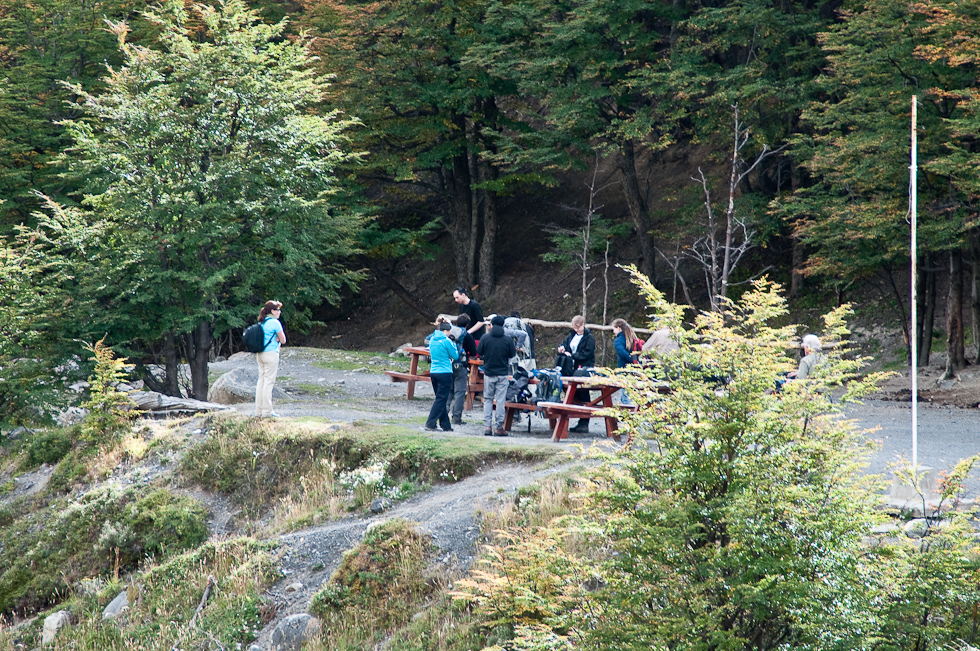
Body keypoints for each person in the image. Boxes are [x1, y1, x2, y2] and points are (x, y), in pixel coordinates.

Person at [477, 314, 516, 436]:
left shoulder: (485, 338)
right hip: (503, 373)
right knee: (500, 400)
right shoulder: (508, 339)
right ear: (503, 325)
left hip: (489, 372)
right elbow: (512, 355)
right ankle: (499, 427)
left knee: (488, 399)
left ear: (491, 325)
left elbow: (479, 352)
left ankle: (487, 427)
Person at [557, 315, 596, 433]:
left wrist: (572, 355)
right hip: (570, 367)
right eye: (575, 328)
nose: (576, 330)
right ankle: (576, 418)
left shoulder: (589, 338)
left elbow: (587, 354)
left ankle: (584, 421)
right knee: (570, 390)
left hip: (583, 367)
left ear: (583, 325)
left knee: (583, 391)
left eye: (578, 328)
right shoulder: (571, 336)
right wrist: (561, 348)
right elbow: (564, 344)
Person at [424, 321, 459, 432]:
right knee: (441, 399)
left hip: (433, 371)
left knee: (440, 399)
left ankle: (445, 425)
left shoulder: (432, 340)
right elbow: (455, 355)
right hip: (445, 372)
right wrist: (454, 345)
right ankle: (430, 423)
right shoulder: (446, 341)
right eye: (449, 331)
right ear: (446, 331)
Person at [255, 300, 286, 418]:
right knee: (268, 382)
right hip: (271, 354)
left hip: (260, 354)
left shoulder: (262, 322)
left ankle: (259, 411)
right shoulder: (275, 323)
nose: (279, 312)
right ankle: (267, 412)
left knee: (261, 381)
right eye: (278, 310)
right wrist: (278, 339)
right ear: (273, 311)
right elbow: (283, 340)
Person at [450, 314, 479, 425]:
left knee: (449, 392)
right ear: (467, 325)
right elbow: (473, 352)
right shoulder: (466, 335)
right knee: (460, 392)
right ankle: (456, 418)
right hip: (460, 366)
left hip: (448, 365)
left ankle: (443, 414)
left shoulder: (450, 332)